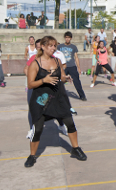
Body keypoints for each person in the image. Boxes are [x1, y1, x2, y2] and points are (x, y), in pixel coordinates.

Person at [25, 36, 86, 167]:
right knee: (38, 128)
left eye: (55, 46)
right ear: (43, 46)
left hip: (59, 98)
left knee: (70, 123)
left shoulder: (57, 61)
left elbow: (61, 77)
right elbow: (30, 84)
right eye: (51, 46)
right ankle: (32, 155)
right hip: (41, 100)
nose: (54, 48)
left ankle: (75, 149)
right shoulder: (35, 63)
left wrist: (65, 77)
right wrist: (43, 80)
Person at [58, 32, 87, 101]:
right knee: (59, 81)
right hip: (63, 66)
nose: (67, 39)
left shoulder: (73, 47)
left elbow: (76, 57)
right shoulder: (59, 47)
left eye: (68, 37)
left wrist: (78, 68)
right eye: (66, 37)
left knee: (77, 81)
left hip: (72, 66)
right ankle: (56, 95)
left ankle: (82, 95)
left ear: (71, 38)